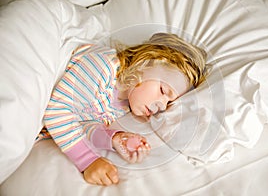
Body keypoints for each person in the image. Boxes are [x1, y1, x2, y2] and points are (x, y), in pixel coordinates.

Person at [42, 33, 208, 186]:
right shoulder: (103, 66)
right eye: (163, 91)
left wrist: (115, 139)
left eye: (169, 102)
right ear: (145, 63)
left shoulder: (122, 106)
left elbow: (81, 123)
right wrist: (87, 160)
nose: (162, 106)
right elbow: (57, 109)